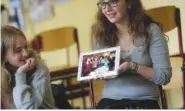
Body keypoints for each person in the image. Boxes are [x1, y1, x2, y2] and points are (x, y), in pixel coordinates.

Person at [93, 0, 172, 109]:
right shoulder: (101, 33)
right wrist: (94, 71)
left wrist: (133, 67)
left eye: (113, 2)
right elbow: (102, 74)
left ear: (129, 3)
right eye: (103, 3)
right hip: (109, 101)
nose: (107, 9)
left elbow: (164, 77)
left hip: (145, 101)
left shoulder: (151, 30)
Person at [1, 25, 56, 109]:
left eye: (26, 46)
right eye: (18, 50)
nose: (26, 53)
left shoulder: (39, 69)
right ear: (3, 56)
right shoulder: (3, 75)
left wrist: (20, 75)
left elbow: (27, 108)